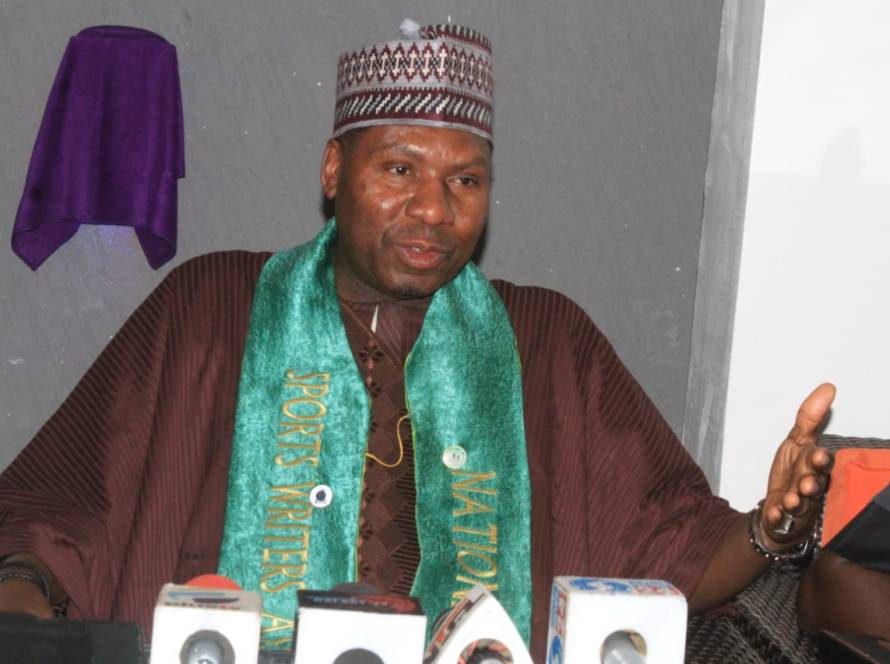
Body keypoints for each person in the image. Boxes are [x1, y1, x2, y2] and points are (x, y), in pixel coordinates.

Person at [0, 21, 834, 661]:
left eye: (465, 180)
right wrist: (23, 602)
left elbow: (674, 550)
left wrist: (772, 529)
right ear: (335, 171)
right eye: (400, 170)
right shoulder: (213, 308)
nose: (434, 209)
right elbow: (54, 512)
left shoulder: (547, 342)